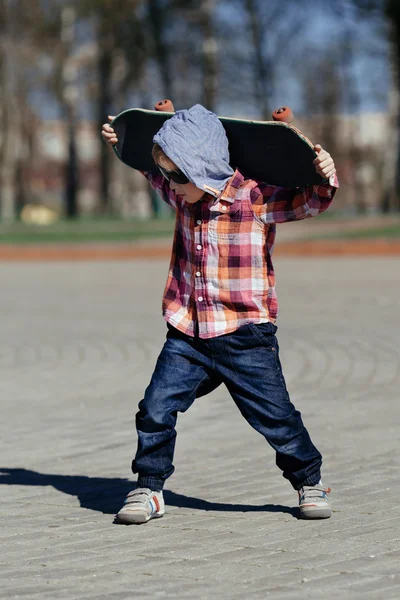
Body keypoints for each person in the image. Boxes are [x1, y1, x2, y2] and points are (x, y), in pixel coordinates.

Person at [102, 104, 338, 524]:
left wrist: (324, 170)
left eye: (177, 175)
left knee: (276, 418)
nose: (170, 186)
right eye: (167, 175)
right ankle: (150, 488)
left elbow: (311, 201)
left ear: (203, 167)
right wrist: (129, 142)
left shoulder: (254, 199)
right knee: (155, 408)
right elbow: (151, 171)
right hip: (188, 335)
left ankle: (310, 482)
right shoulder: (183, 194)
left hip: (245, 336)